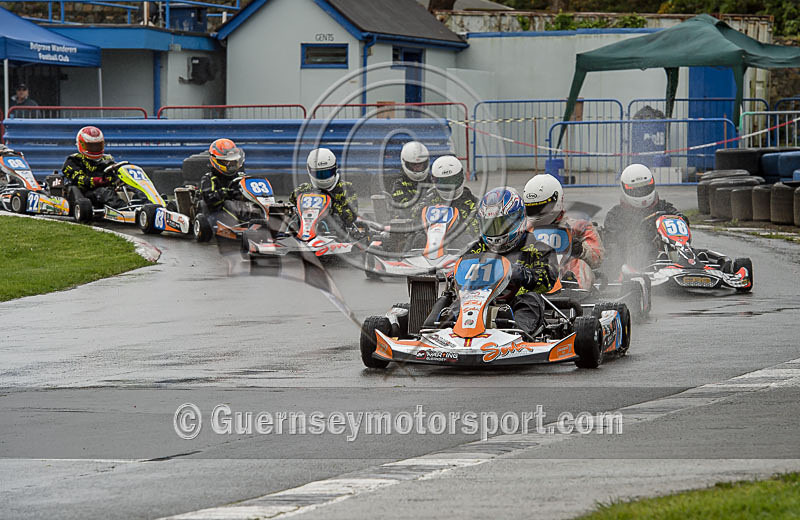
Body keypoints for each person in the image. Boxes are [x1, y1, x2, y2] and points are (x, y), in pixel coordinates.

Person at [434, 187, 558, 337]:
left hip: (516, 301)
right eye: (490, 226)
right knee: (458, 302)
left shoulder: (538, 247)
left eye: (501, 225)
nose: (496, 232)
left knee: (530, 299)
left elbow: (548, 279)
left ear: (518, 219)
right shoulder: (477, 247)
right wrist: (455, 275)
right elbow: (462, 268)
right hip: (478, 301)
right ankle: (444, 331)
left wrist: (523, 274)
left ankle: (517, 334)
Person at [523, 174, 604, 289]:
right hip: (533, 280)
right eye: (532, 208)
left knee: (578, 265)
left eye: (541, 208)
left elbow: (597, 258)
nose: (537, 213)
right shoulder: (524, 230)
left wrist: (580, 250)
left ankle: (576, 293)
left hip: (568, 283)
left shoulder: (579, 227)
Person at [603, 163, 686, 270]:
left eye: (645, 187)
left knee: (698, 252)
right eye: (636, 190)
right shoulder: (615, 215)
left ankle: (689, 262)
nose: (641, 192)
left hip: (669, 252)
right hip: (633, 261)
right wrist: (644, 233)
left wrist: (682, 219)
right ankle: (659, 263)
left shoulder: (663, 207)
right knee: (642, 248)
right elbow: (614, 245)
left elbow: (679, 222)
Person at [289, 147, 358, 232]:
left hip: (336, 234)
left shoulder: (345, 188)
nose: (324, 178)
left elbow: (351, 217)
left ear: (335, 169)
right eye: (319, 174)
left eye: (327, 173)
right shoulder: (304, 189)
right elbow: (290, 204)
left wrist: (332, 204)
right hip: (305, 230)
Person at [61, 126, 124, 209]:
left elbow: (115, 176)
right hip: (85, 194)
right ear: (81, 144)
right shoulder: (74, 160)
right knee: (104, 192)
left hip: (107, 191)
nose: (95, 149)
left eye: (97, 146)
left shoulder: (107, 160)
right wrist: (97, 181)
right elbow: (78, 179)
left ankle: (143, 204)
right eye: (91, 146)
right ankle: (123, 209)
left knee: (130, 188)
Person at [415, 155, 479, 236]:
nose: (449, 186)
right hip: (429, 244)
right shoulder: (428, 199)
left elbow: (478, 232)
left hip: (461, 245)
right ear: (434, 180)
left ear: (461, 176)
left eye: (452, 181)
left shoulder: (473, 203)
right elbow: (413, 217)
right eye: (444, 182)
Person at [199, 138, 254, 221]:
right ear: (217, 161)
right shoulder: (209, 178)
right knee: (228, 203)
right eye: (227, 162)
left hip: (239, 210)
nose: (231, 164)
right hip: (217, 214)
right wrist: (227, 192)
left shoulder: (241, 176)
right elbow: (209, 200)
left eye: (233, 161)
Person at [390, 141, 431, 208]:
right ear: (405, 163)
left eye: (420, 165)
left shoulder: (432, 180)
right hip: (405, 217)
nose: (417, 169)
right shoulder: (398, 182)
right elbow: (404, 206)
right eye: (414, 165)